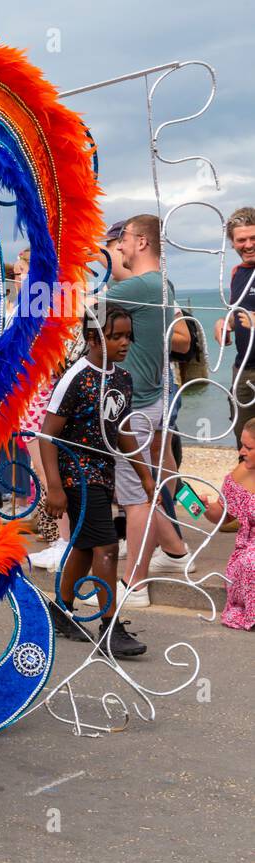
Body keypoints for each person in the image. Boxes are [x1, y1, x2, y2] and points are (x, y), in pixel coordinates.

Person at [41, 306, 153, 657]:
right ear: (92, 338)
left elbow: (122, 431)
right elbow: (47, 436)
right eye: (115, 336)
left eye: (127, 336)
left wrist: (145, 476)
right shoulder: (75, 376)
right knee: (106, 547)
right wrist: (55, 488)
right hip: (76, 474)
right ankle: (110, 627)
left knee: (87, 548)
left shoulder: (123, 378)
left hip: (103, 473)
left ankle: (60, 611)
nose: (124, 343)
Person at [107, 214, 191, 606]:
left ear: (140, 241)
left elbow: (77, 304)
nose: (119, 246)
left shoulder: (140, 285)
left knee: (135, 496)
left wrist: (102, 262)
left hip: (134, 405)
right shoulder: (164, 284)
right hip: (153, 399)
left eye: (122, 239)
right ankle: (174, 551)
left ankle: (133, 585)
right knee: (151, 485)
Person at [198, 418, 255, 629]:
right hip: (250, 547)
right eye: (242, 445)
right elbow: (223, 517)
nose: (241, 451)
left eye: (248, 447)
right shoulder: (240, 473)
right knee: (251, 562)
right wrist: (205, 506)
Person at [212, 207, 255, 444]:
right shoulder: (237, 272)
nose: (248, 245)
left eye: (253, 238)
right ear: (232, 242)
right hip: (243, 371)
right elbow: (237, 311)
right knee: (245, 444)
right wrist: (224, 322)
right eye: (241, 240)